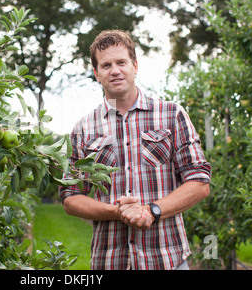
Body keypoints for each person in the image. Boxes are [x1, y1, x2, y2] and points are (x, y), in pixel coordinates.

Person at [59, 29, 212, 270]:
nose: (115, 70)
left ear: (135, 66)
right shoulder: (83, 128)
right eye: (106, 65)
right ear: (97, 74)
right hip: (110, 261)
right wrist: (117, 212)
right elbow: (70, 198)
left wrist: (151, 211)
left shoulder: (172, 115)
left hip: (167, 258)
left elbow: (200, 182)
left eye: (121, 62)